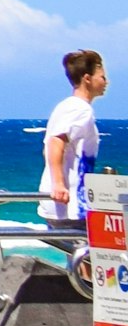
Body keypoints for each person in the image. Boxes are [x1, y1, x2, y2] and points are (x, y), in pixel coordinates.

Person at [43, 50, 107, 223]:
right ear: (87, 78)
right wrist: (58, 183)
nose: (106, 82)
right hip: (69, 205)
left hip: (62, 204)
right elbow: (56, 142)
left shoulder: (66, 106)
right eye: (102, 77)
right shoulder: (80, 109)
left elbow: (49, 145)